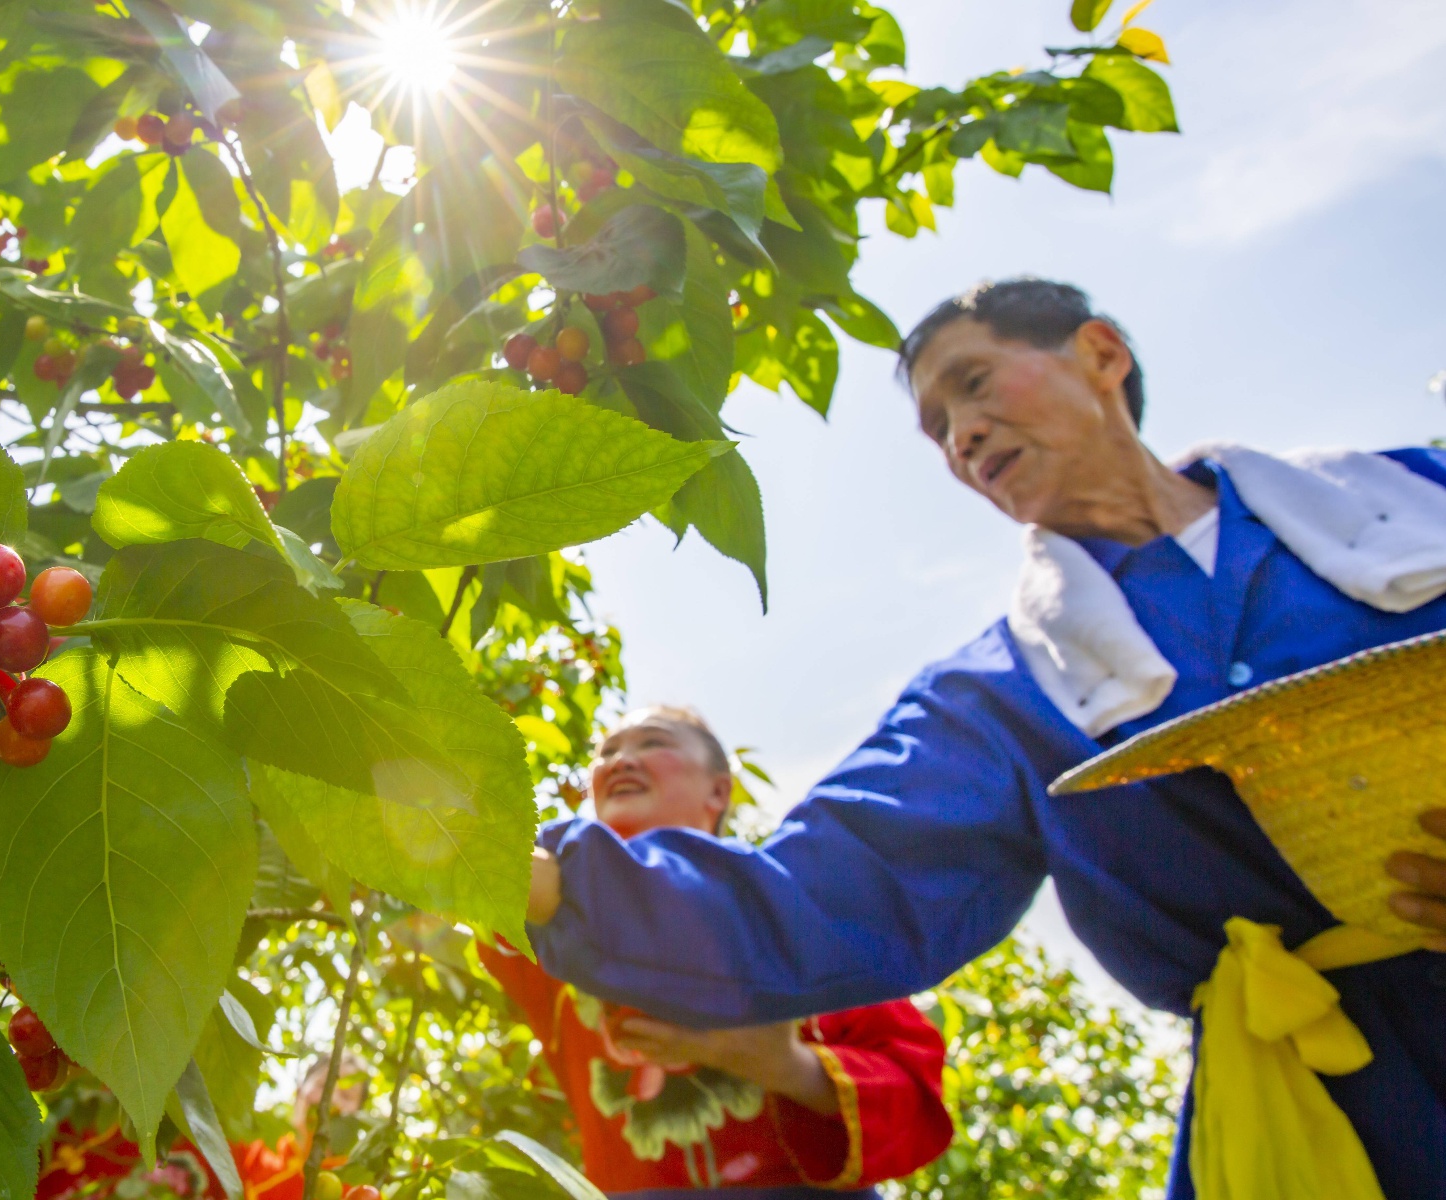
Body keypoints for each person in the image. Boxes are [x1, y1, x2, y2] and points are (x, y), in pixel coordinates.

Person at [522, 280, 1446, 1200]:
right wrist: (526, 872)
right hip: (1322, 1123)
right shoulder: (1003, 696)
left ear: (1101, 356)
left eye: (975, 383)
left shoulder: (1405, 506)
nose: (960, 435)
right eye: (937, 426)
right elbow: (831, 888)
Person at [482, 706, 953, 1199]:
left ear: (719, 789)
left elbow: (915, 1096)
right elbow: (461, 884)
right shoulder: (550, 927)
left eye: (651, 742)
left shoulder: (797, 918)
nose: (621, 759)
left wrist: (787, 1066)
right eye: (607, 752)